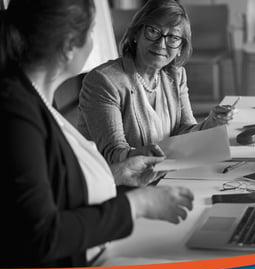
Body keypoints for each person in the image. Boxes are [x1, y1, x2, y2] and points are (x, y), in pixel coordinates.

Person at [0, 0, 193, 268]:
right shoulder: (16, 114)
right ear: (70, 45)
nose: (93, 41)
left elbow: (56, 189)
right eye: (91, 33)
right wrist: (138, 204)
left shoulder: (35, 100)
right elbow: (41, 236)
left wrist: (119, 174)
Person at [78, 0, 235, 164]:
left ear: (181, 47)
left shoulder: (176, 75)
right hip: (119, 182)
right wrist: (140, 154)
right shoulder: (104, 81)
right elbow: (114, 153)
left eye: (173, 37)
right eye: (153, 31)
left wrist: (211, 123)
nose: (161, 44)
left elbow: (184, 130)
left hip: (165, 172)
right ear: (136, 34)